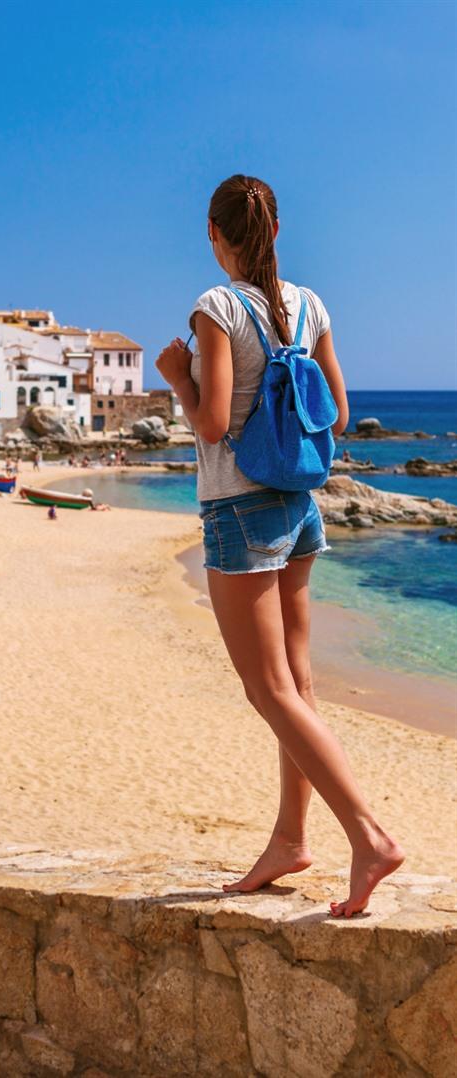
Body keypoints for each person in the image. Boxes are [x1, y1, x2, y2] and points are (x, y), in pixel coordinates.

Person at [156, 174, 403, 918]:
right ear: (277, 230)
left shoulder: (217, 307)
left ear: (214, 233)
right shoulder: (312, 304)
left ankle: (368, 837)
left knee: (268, 689)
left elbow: (212, 425)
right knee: (297, 680)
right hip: (299, 501)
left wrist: (176, 377)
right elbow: (342, 411)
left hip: (240, 508)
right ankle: (291, 838)